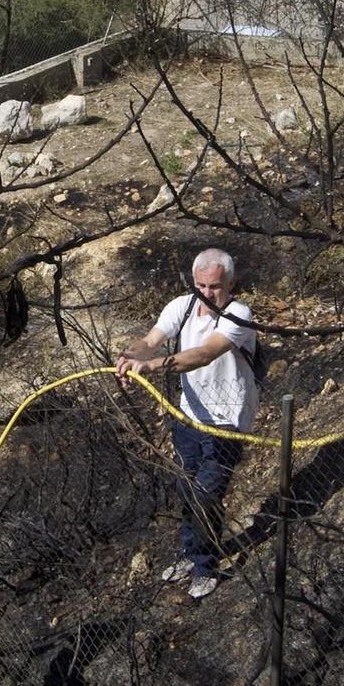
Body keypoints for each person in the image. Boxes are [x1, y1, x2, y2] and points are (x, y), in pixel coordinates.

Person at [114, 248, 259, 601]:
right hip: (188, 416)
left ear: (230, 283)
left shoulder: (238, 314)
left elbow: (204, 353)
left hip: (226, 420)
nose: (207, 293)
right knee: (185, 486)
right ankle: (188, 551)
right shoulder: (181, 306)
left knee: (205, 492)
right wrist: (132, 356)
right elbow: (150, 340)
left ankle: (205, 566)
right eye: (201, 285)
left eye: (215, 286)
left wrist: (152, 366)